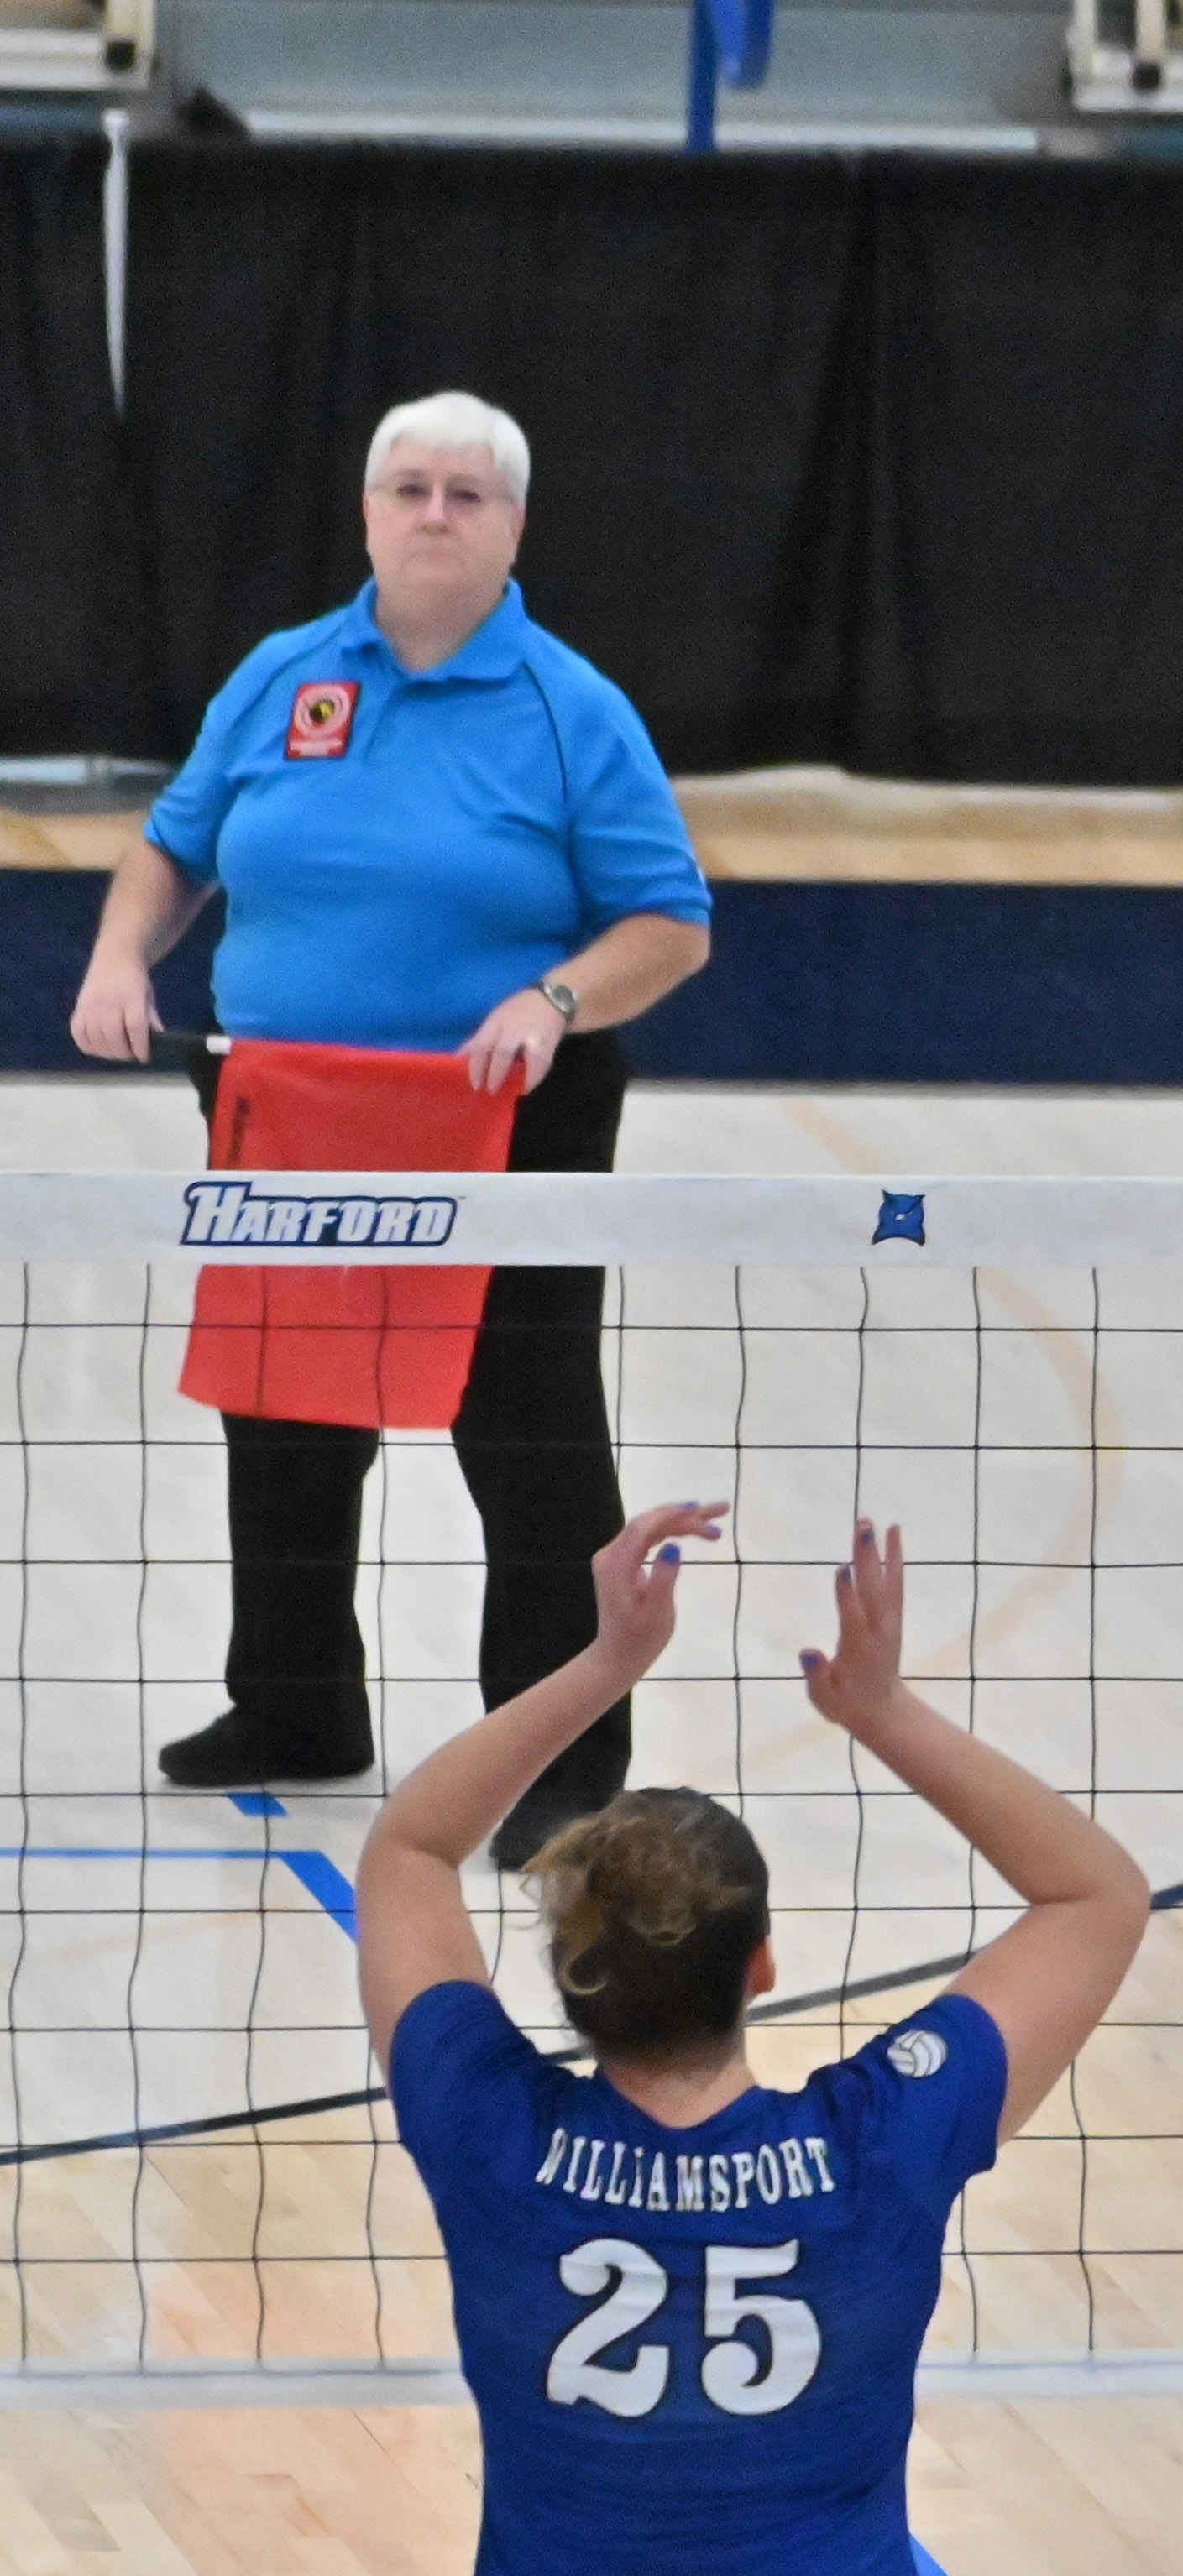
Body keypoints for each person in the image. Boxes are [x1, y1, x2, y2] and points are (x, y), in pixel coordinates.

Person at [355, 1505, 1149, 2576]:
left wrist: (598, 1662)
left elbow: (410, 1855)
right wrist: (879, 1709)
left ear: (566, 1984)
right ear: (765, 1968)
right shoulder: (887, 2139)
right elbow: (1097, 1891)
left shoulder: (488, 2132)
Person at [69, 389, 712, 1865]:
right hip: (282, 1104)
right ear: (366, 511)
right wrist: (122, 955)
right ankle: (296, 1706)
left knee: (525, 1425)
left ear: (512, 528)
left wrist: (555, 995)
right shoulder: (285, 675)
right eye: (407, 488)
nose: (432, 513)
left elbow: (670, 925)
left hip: (501, 1117)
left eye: (464, 495)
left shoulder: (568, 706)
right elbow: (171, 848)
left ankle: (557, 1756)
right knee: (284, 1403)